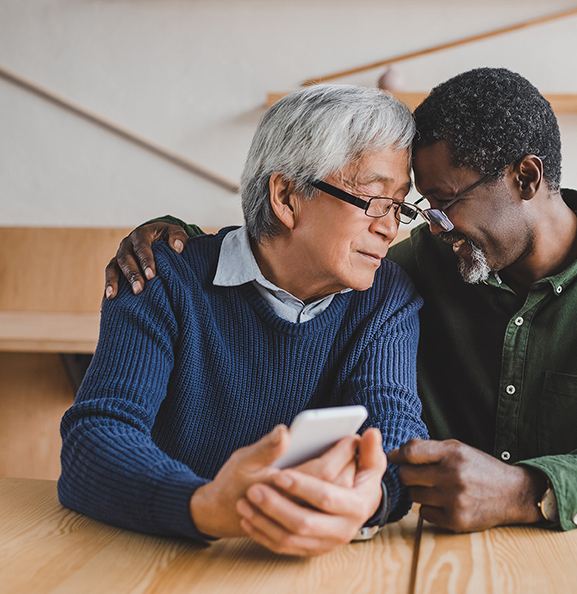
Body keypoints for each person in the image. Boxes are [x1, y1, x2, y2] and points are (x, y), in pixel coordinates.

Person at [104, 68, 577, 533]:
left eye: (440, 205)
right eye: (412, 207)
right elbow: (277, 247)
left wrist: (531, 489)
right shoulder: (411, 267)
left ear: (527, 178)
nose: (416, 227)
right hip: (418, 553)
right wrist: (174, 240)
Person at [59, 84, 429, 557]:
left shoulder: (386, 296)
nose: (389, 226)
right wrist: (205, 505)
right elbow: (96, 438)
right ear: (286, 196)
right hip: (163, 556)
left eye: (398, 205)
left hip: (312, 562)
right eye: (374, 199)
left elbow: (397, 430)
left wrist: (370, 500)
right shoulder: (163, 277)